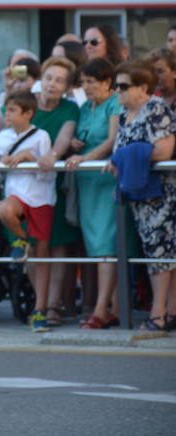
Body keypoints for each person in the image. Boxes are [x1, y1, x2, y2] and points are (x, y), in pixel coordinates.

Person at [0, 57, 80, 327]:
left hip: (48, 184)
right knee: (30, 246)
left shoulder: (69, 108)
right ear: (40, 78)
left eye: (59, 80)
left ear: (67, 86)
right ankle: (40, 304)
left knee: (54, 247)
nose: (52, 84)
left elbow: (64, 138)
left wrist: (51, 155)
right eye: (49, 77)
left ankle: (50, 305)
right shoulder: (23, 99)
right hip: (19, 189)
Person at [108, 62, 176, 331]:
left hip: (162, 194)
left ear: (143, 88)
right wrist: (119, 159)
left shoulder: (156, 108)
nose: (118, 91)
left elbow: (163, 151)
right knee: (158, 253)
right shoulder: (124, 115)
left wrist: (123, 157)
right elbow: (119, 151)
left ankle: (158, 313)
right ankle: (169, 311)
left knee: (161, 253)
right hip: (139, 196)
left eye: (124, 86)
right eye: (116, 85)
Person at [64, 58, 122, 329]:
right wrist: (77, 145)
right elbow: (86, 136)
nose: (85, 87)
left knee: (107, 248)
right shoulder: (86, 107)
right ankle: (115, 308)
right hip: (87, 184)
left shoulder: (115, 103)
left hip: (105, 182)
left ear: (107, 82)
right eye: (83, 82)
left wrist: (85, 157)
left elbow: (112, 141)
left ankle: (101, 311)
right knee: (97, 249)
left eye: (91, 82)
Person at [0, 91, 56, 332]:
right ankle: (21, 238)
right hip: (16, 193)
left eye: (12, 110)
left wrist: (28, 156)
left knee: (41, 254)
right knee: (5, 211)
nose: (7, 114)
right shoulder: (2, 137)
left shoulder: (41, 136)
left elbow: (47, 172)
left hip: (40, 197)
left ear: (28, 113)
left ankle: (40, 309)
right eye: (6, 110)